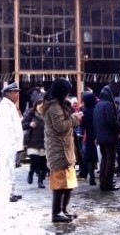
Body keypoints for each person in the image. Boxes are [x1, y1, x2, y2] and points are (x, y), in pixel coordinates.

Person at [43, 78, 82, 222]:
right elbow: (60, 126)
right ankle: (56, 213)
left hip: (65, 148)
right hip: (58, 149)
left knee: (69, 183)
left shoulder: (58, 104)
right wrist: (75, 118)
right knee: (59, 184)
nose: (67, 95)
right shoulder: (53, 107)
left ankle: (63, 210)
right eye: (65, 92)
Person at [0, 82, 24, 202]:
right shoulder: (5, 107)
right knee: (5, 169)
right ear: (8, 94)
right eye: (15, 93)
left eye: (18, 93)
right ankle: (6, 193)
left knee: (10, 169)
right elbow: (7, 127)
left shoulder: (10, 106)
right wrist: (13, 141)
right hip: (6, 144)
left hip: (10, 144)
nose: (17, 95)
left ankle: (11, 192)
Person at [93, 84, 120, 191]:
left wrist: (96, 135)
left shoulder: (98, 105)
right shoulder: (108, 105)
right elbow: (111, 121)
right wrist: (119, 130)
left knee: (104, 159)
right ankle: (108, 183)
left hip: (100, 137)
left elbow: (94, 122)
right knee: (110, 159)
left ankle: (103, 182)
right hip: (109, 137)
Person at [22, 94, 47, 188]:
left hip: (44, 143)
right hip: (33, 143)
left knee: (43, 163)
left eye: (43, 105)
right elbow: (22, 124)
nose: (41, 107)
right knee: (34, 162)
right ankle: (31, 173)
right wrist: (29, 124)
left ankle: (40, 181)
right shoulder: (31, 114)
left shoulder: (47, 115)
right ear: (36, 105)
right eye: (39, 105)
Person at [81, 91, 98, 186]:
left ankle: (91, 176)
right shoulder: (96, 110)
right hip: (97, 134)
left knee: (89, 156)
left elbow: (83, 125)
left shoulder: (85, 111)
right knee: (95, 156)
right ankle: (92, 176)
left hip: (88, 135)